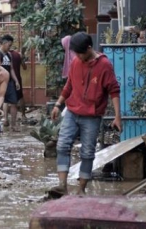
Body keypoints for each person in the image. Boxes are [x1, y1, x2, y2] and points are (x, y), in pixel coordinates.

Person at [49, 32, 122, 197]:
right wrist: (58, 104)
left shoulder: (104, 65)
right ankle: (62, 185)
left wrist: (118, 117)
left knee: (88, 152)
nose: (78, 56)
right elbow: (69, 85)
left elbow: (114, 91)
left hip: (92, 116)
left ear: (89, 48)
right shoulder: (76, 62)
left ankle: (81, 189)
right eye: (76, 53)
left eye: (80, 53)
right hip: (72, 112)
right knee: (62, 145)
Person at [0, 34, 21, 131]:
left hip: (10, 82)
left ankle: (13, 125)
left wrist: (16, 81)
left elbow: (11, 69)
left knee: (14, 102)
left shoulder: (9, 55)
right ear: (4, 43)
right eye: (9, 45)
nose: (10, 47)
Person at [10, 47, 27, 120]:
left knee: (6, 100)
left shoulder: (4, 55)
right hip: (17, 78)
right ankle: (23, 115)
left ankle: (7, 118)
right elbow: (24, 67)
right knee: (20, 97)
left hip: (7, 79)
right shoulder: (18, 55)